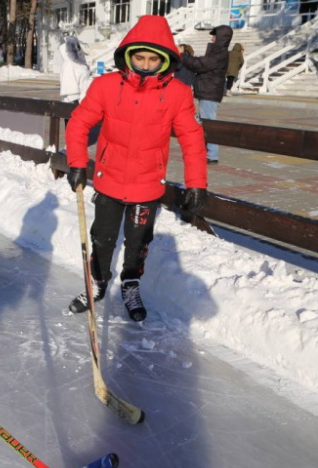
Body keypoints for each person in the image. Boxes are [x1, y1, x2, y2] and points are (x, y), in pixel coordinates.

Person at [65, 15, 208, 322]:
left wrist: (197, 183)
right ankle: (98, 285)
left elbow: (192, 139)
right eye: (139, 57)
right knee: (102, 238)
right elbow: (78, 124)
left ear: (165, 59)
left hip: (147, 185)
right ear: (128, 55)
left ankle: (131, 284)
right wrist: (77, 162)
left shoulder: (178, 93)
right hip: (109, 181)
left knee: (138, 242)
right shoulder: (105, 86)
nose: (144, 64)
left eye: (152, 58)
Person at [179, 25, 232, 165]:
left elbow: (200, 64)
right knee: (205, 122)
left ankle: (212, 154)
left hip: (210, 92)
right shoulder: (217, 52)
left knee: (209, 124)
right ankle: (207, 152)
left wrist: (183, 56)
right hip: (208, 91)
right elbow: (201, 63)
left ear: (221, 38)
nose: (212, 38)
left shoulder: (219, 53)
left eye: (214, 36)